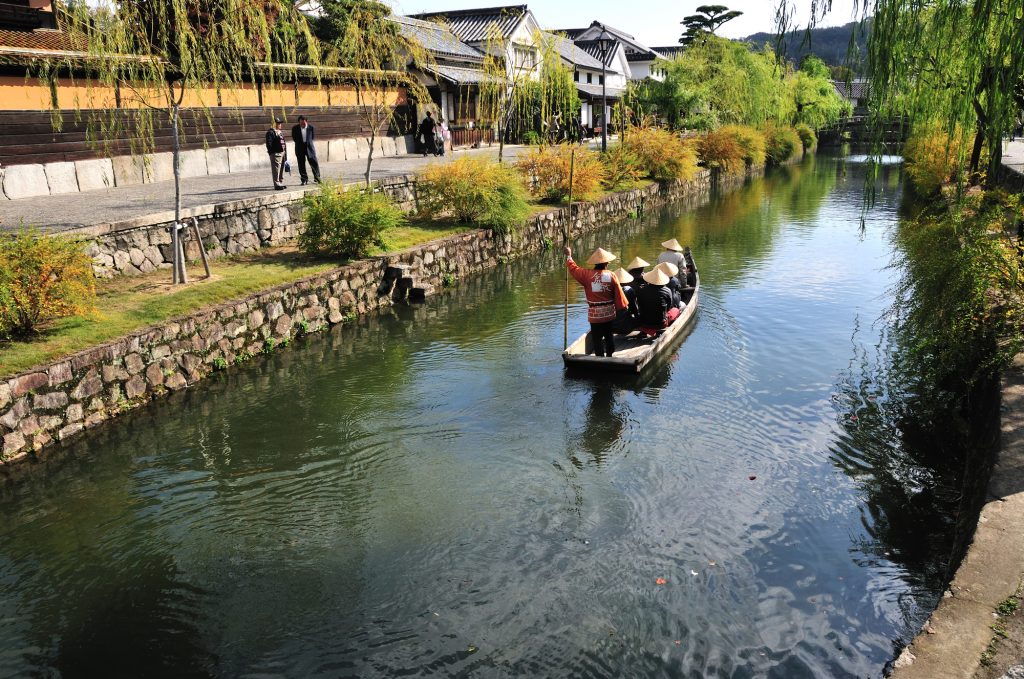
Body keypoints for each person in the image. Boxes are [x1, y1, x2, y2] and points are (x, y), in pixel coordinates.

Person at [565, 246, 629, 357]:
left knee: (596, 338)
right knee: (609, 336)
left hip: (595, 315)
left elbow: (574, 269)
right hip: (608, 313)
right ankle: (610, 355)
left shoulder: (586, 275)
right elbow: (619, 294)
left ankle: (599, 357)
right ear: (606, 263)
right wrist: (622, 307)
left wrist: (569, 255)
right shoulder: (612, 275)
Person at [636, 267, 681, 335]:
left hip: (643, 322)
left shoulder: (641, 290)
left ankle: (644, 331)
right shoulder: (667, 290)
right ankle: (668, 328)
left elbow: (639, 305)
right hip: (661, 323)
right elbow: (669, 307)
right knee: (676, 310)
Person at [291, 115, 321, 186]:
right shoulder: (295, 128)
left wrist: (308, 143)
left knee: (314, 163)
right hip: (300, 148)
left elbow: (312, 138)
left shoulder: (311, 128)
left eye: (303, 123)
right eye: (301, 123)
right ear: (299, 122)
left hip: (309, 148)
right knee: (301, 164)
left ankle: (317, 178)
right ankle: (304, 180)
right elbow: (294, 138)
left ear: (306, 122)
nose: (302, 125)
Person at [612, 268, 639, 335]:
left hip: (611, 327)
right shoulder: (628, 289)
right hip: (625, 328)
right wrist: (638, 318)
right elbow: (634, 308)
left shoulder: (608, 290)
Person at [265, 117, 287, 190]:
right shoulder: (270, 132)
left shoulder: (280, 132)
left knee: (281, 168)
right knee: (276, 169)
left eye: (280, 123)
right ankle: (276, 184)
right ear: (274, 124)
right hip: (276, 153)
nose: (280, 124)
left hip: (282, 153)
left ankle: (280, 182)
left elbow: (284, 143)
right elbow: (269, 144)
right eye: (278, 123)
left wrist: (285, 154)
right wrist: (272, 153)